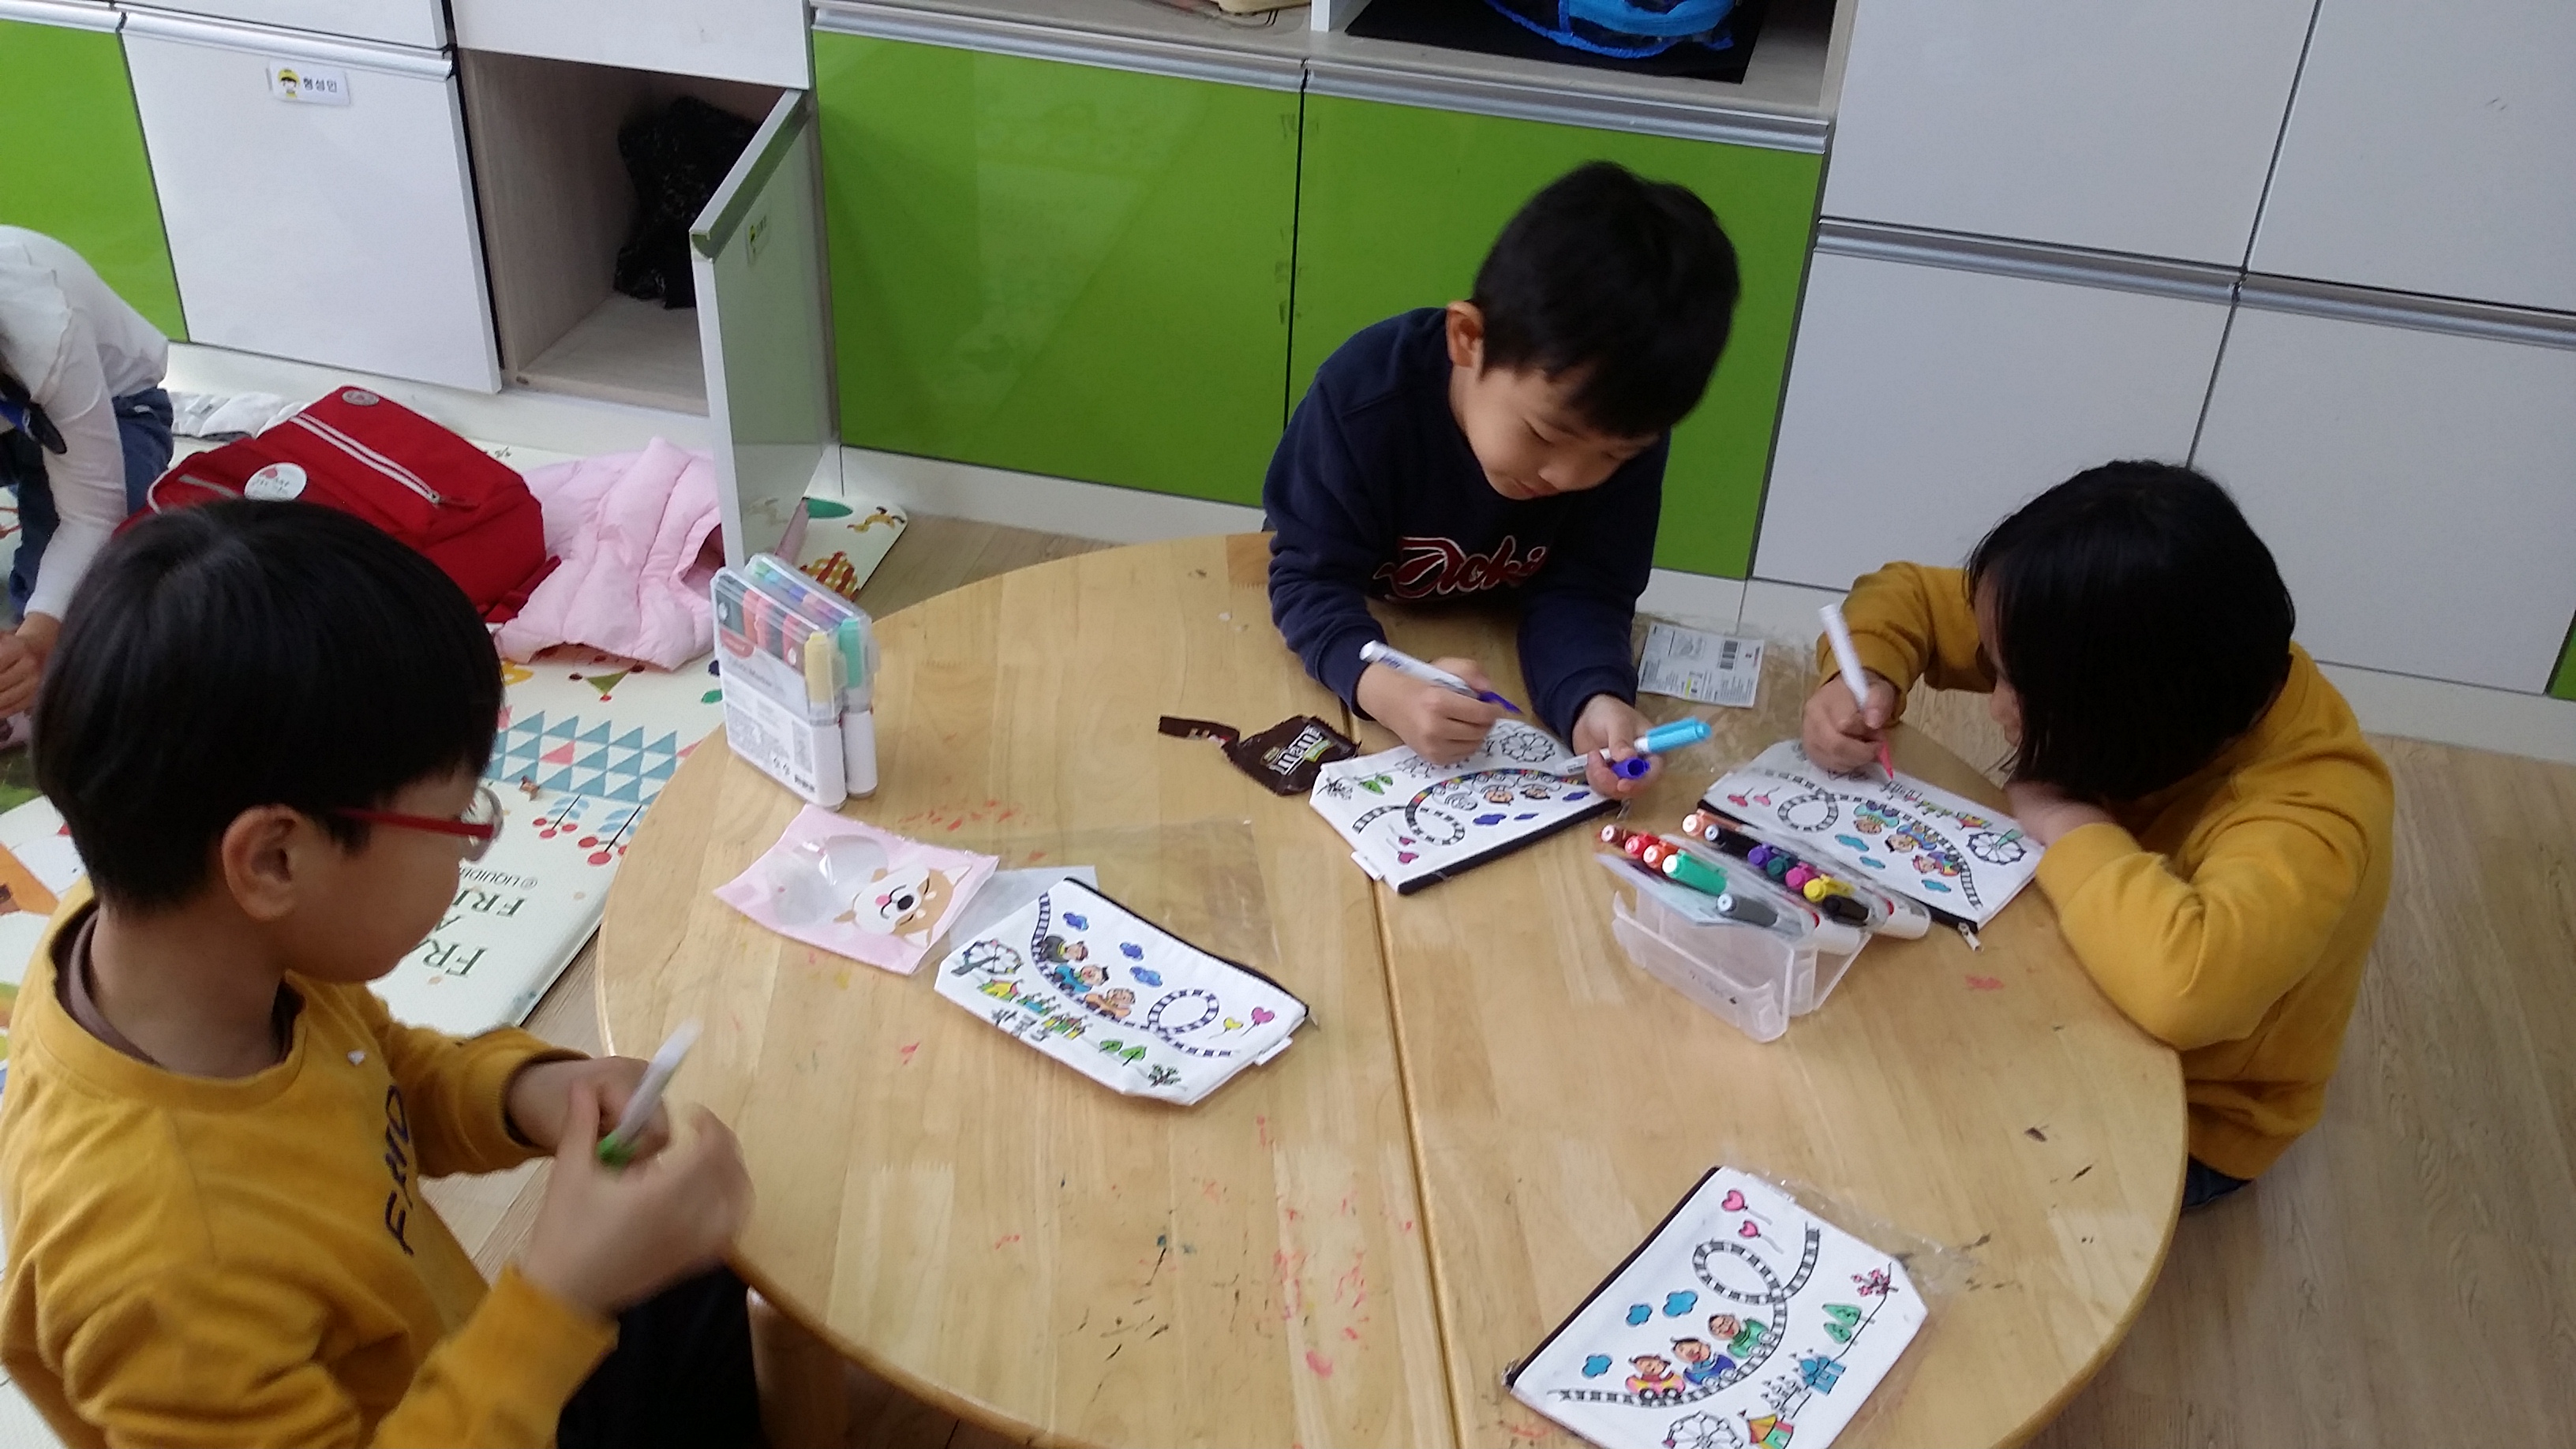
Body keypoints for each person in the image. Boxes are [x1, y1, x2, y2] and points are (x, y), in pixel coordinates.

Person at [0, 501, 764, 1447]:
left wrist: (523, 1094)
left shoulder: (183, 941)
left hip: (465, 1378)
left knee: (684, 1263)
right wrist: (560, 1299)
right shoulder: (163, 1275)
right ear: (274, 860)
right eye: (458, 821)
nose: (471, 849)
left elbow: (382, 1071)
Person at [1802, 462, 2394, 1210]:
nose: (1996, 705)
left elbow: (2186, 990)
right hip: (2078, 955)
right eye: (1995, 667)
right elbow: (1910, 594)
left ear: (2126, 711)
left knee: (1912, 1159)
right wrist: (1865, 674)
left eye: (2018, 685)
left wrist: (2066, 820)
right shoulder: (2136, 638)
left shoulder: (2315, 807)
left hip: (2190, 1113)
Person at [1266, 161, 1739, 798]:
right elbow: (1308, 578)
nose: (1570, 475)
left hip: (1500, 648)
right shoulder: (1365, 401)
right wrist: (1383, 691)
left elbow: (1587, 591)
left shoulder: (1618, 426)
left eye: (1613, 456)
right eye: (1544, 434)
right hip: (1363, 636)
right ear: (1468, 339)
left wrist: (1593, 700)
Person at [0, 227, 174, 728]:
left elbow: (91, 517)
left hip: (119, 409)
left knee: (81, 611)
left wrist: (36, 643)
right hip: (24, 409)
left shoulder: (45, 328)